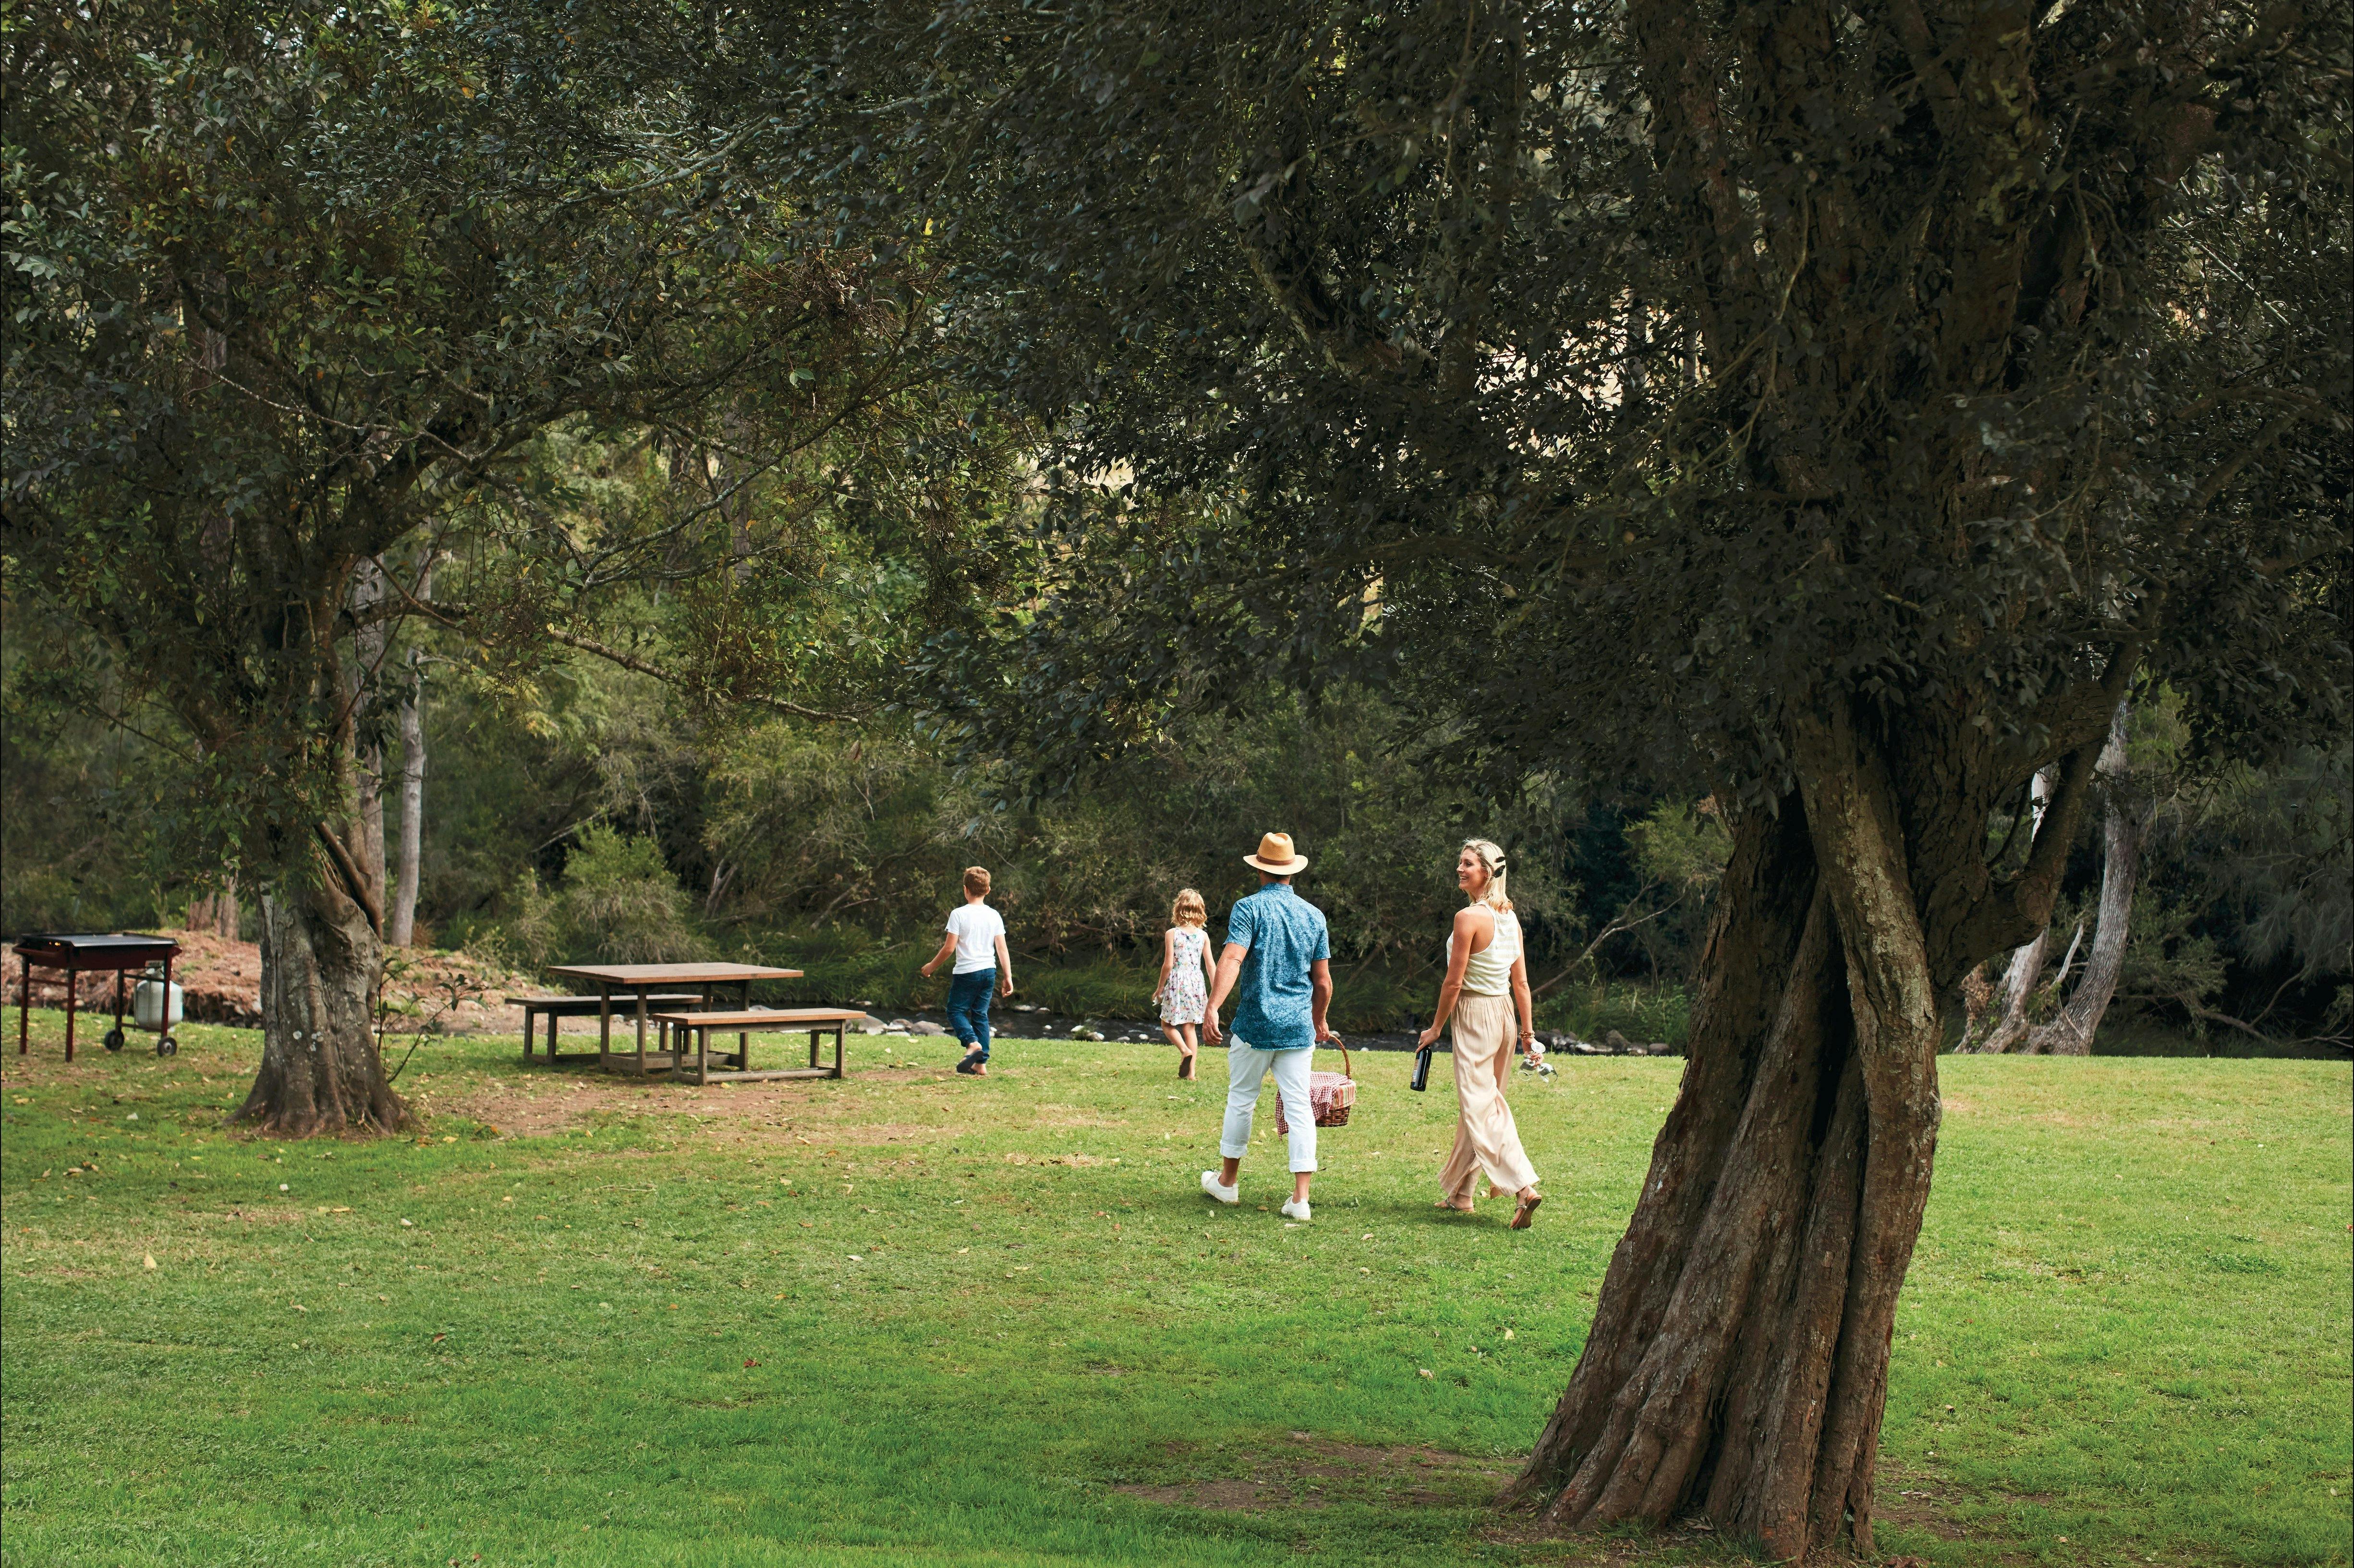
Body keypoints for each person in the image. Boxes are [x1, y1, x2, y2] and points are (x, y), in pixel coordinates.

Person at [1199, 832, 1340, 1221]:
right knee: (1300, 1107)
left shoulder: (1248, 908)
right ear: (1291, 872)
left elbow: (1232, 959)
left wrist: (1213, 1007)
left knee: (1242, 1099)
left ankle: (1227, 1183)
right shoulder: (1314, 916)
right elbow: (1324, 982)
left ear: (1260, 869)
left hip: (1255, 1025)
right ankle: (1300, 1199)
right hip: (1297, 1028)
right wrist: (1319, 1019)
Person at [1416, 839, 1545, 1228]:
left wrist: (1436, 1028)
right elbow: (1521, 983)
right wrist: (1526, 1032)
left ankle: (1523, 1186)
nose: (1460, 868)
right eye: (1461, 862)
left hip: (1475, 1013)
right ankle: (1462, 1194)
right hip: (1504, 1015)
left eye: (1468, 863)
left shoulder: (1468, 917)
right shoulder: (1510, 919)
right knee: (1481, 1104)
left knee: (1482, 1106)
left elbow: (1453, 983)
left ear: (1487, 872)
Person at [920, 866, 1014, 1076]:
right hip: (989, 971)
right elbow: (1002, 948)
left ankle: (972, 1043)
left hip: (967, 972)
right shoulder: (994, 915)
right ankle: (981, 1064)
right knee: (980, 1014)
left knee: (955, 1011)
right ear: (988, 890)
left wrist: (931, 966)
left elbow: (949, 948)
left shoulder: (959, 914)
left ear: (965, 890)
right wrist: (1008, 976)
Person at [1153, 887, 1215, 1080]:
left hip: (1177, 983)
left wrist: (1160, 988)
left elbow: (1168, 964)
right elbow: (1210, 965)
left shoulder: (1172, 933)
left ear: (1179, 909)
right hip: (1196, 983)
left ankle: (1184, 1050)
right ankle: (1191, 1074)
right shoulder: (1203, 936)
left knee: (1167, 1024)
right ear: (1200, 911)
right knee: (1190, 1028)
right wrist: (1216, 991)